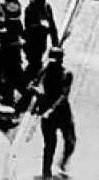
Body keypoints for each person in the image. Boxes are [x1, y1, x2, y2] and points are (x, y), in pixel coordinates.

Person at [35, 50, 76, 178]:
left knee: (70, 141)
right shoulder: (44, 71)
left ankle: (62, 164)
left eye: (56, 59)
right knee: (50, 146)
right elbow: (35, 85)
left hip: (62, 114)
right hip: (47, 116)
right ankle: (46, 173)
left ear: (61, 60)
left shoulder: (66, 74)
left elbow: (63, 95)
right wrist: (37, 91)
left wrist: (50, 110)